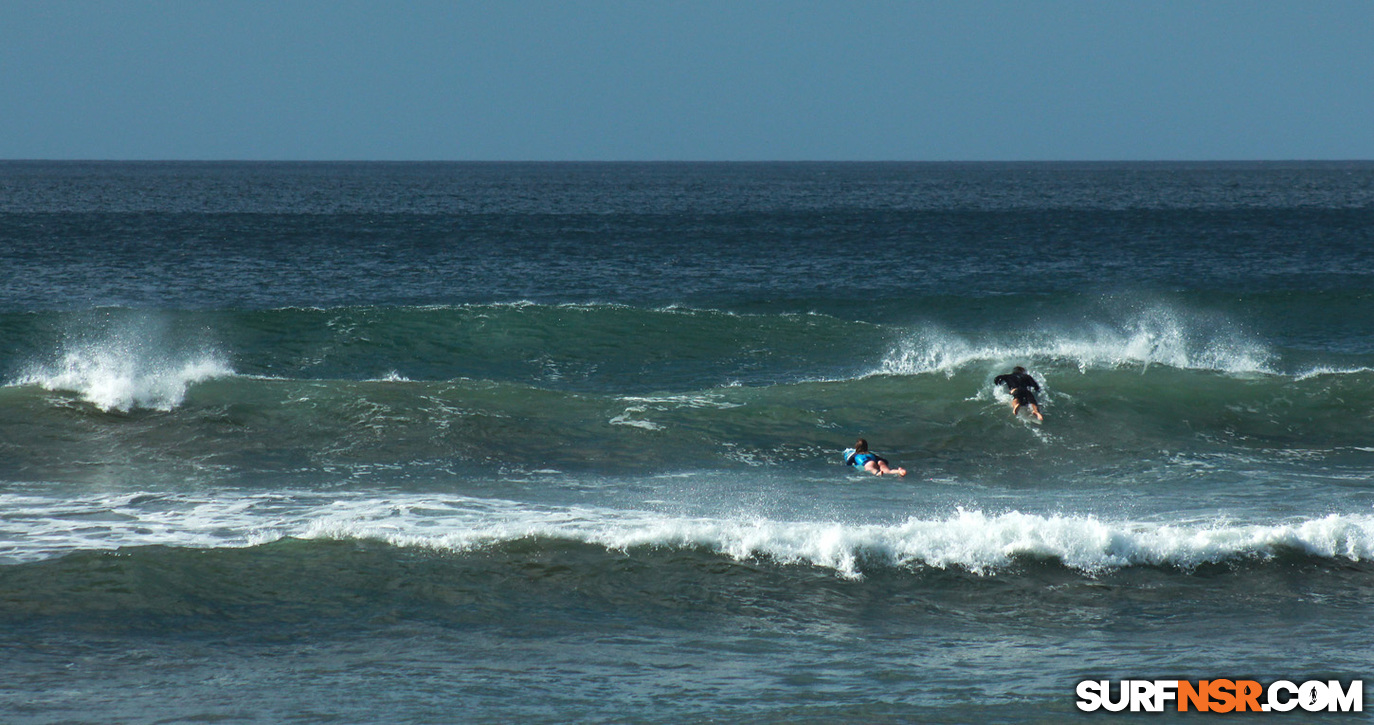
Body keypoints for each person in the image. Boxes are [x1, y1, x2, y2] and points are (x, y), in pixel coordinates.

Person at [842, 438, 907, 476]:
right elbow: (885, 461)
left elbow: (849, 463)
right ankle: (898, 471)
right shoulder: (870, 453)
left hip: (868, 463)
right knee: (887, 471)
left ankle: (878, 473)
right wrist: (883, 464)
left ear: (857, 447)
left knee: (871, 469)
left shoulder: (855, 455)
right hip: (878, 461)